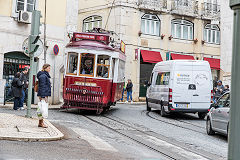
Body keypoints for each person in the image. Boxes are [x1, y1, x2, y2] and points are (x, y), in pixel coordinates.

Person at [37, 64, 51, 128]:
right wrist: (43, 96)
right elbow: (42, 86)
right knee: (43, 108)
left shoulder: (45, 75)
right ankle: (41, 123)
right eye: (48, 68)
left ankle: (40, 122)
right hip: (43, 94)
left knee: (41, 108)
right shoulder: (43, 75)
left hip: (44, 93)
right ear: (45, 68)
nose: (49, 69)